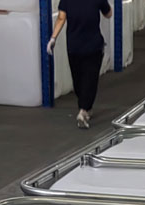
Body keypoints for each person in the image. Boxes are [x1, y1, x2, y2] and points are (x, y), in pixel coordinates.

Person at [48, 0, 113, 129]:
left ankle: (85, 107)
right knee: (90, 79)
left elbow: (61, 18)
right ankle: (84, 109)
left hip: (74, 47)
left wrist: (53, 38)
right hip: (93, 46)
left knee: (78, 80)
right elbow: (109, 14)